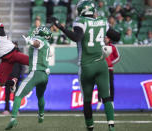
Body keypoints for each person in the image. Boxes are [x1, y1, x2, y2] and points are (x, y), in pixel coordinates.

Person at [50, 0, 120, 131]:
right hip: (102, 65)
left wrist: (60, 26)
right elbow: (116, 36)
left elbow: (76, 37)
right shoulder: (103, 21)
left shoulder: (80, 21)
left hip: (86, 66)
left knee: (87, 100)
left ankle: (90, 127)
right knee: (106, 97)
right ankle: (111, 126)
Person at [5, 26, 52, 130]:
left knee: (18, 95)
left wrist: (30, 42)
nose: (36, 32)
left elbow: (37, 43)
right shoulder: (48, 44)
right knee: (40, 96)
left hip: (36, 73)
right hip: (45, 75)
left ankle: (13, 119)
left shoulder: (41, 40)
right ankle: (41, 115)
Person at [96, 36, 120, 110]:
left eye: (106, 38)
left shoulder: (113, 47)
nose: (105, 39)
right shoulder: (100, 46)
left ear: (109, 39)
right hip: (101, 68)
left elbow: (118, 57)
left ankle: (111, 101)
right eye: (104, 38)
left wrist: (111, 63)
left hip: (109, 68)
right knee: (100, 84)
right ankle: (99, 101)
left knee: (111, 85)